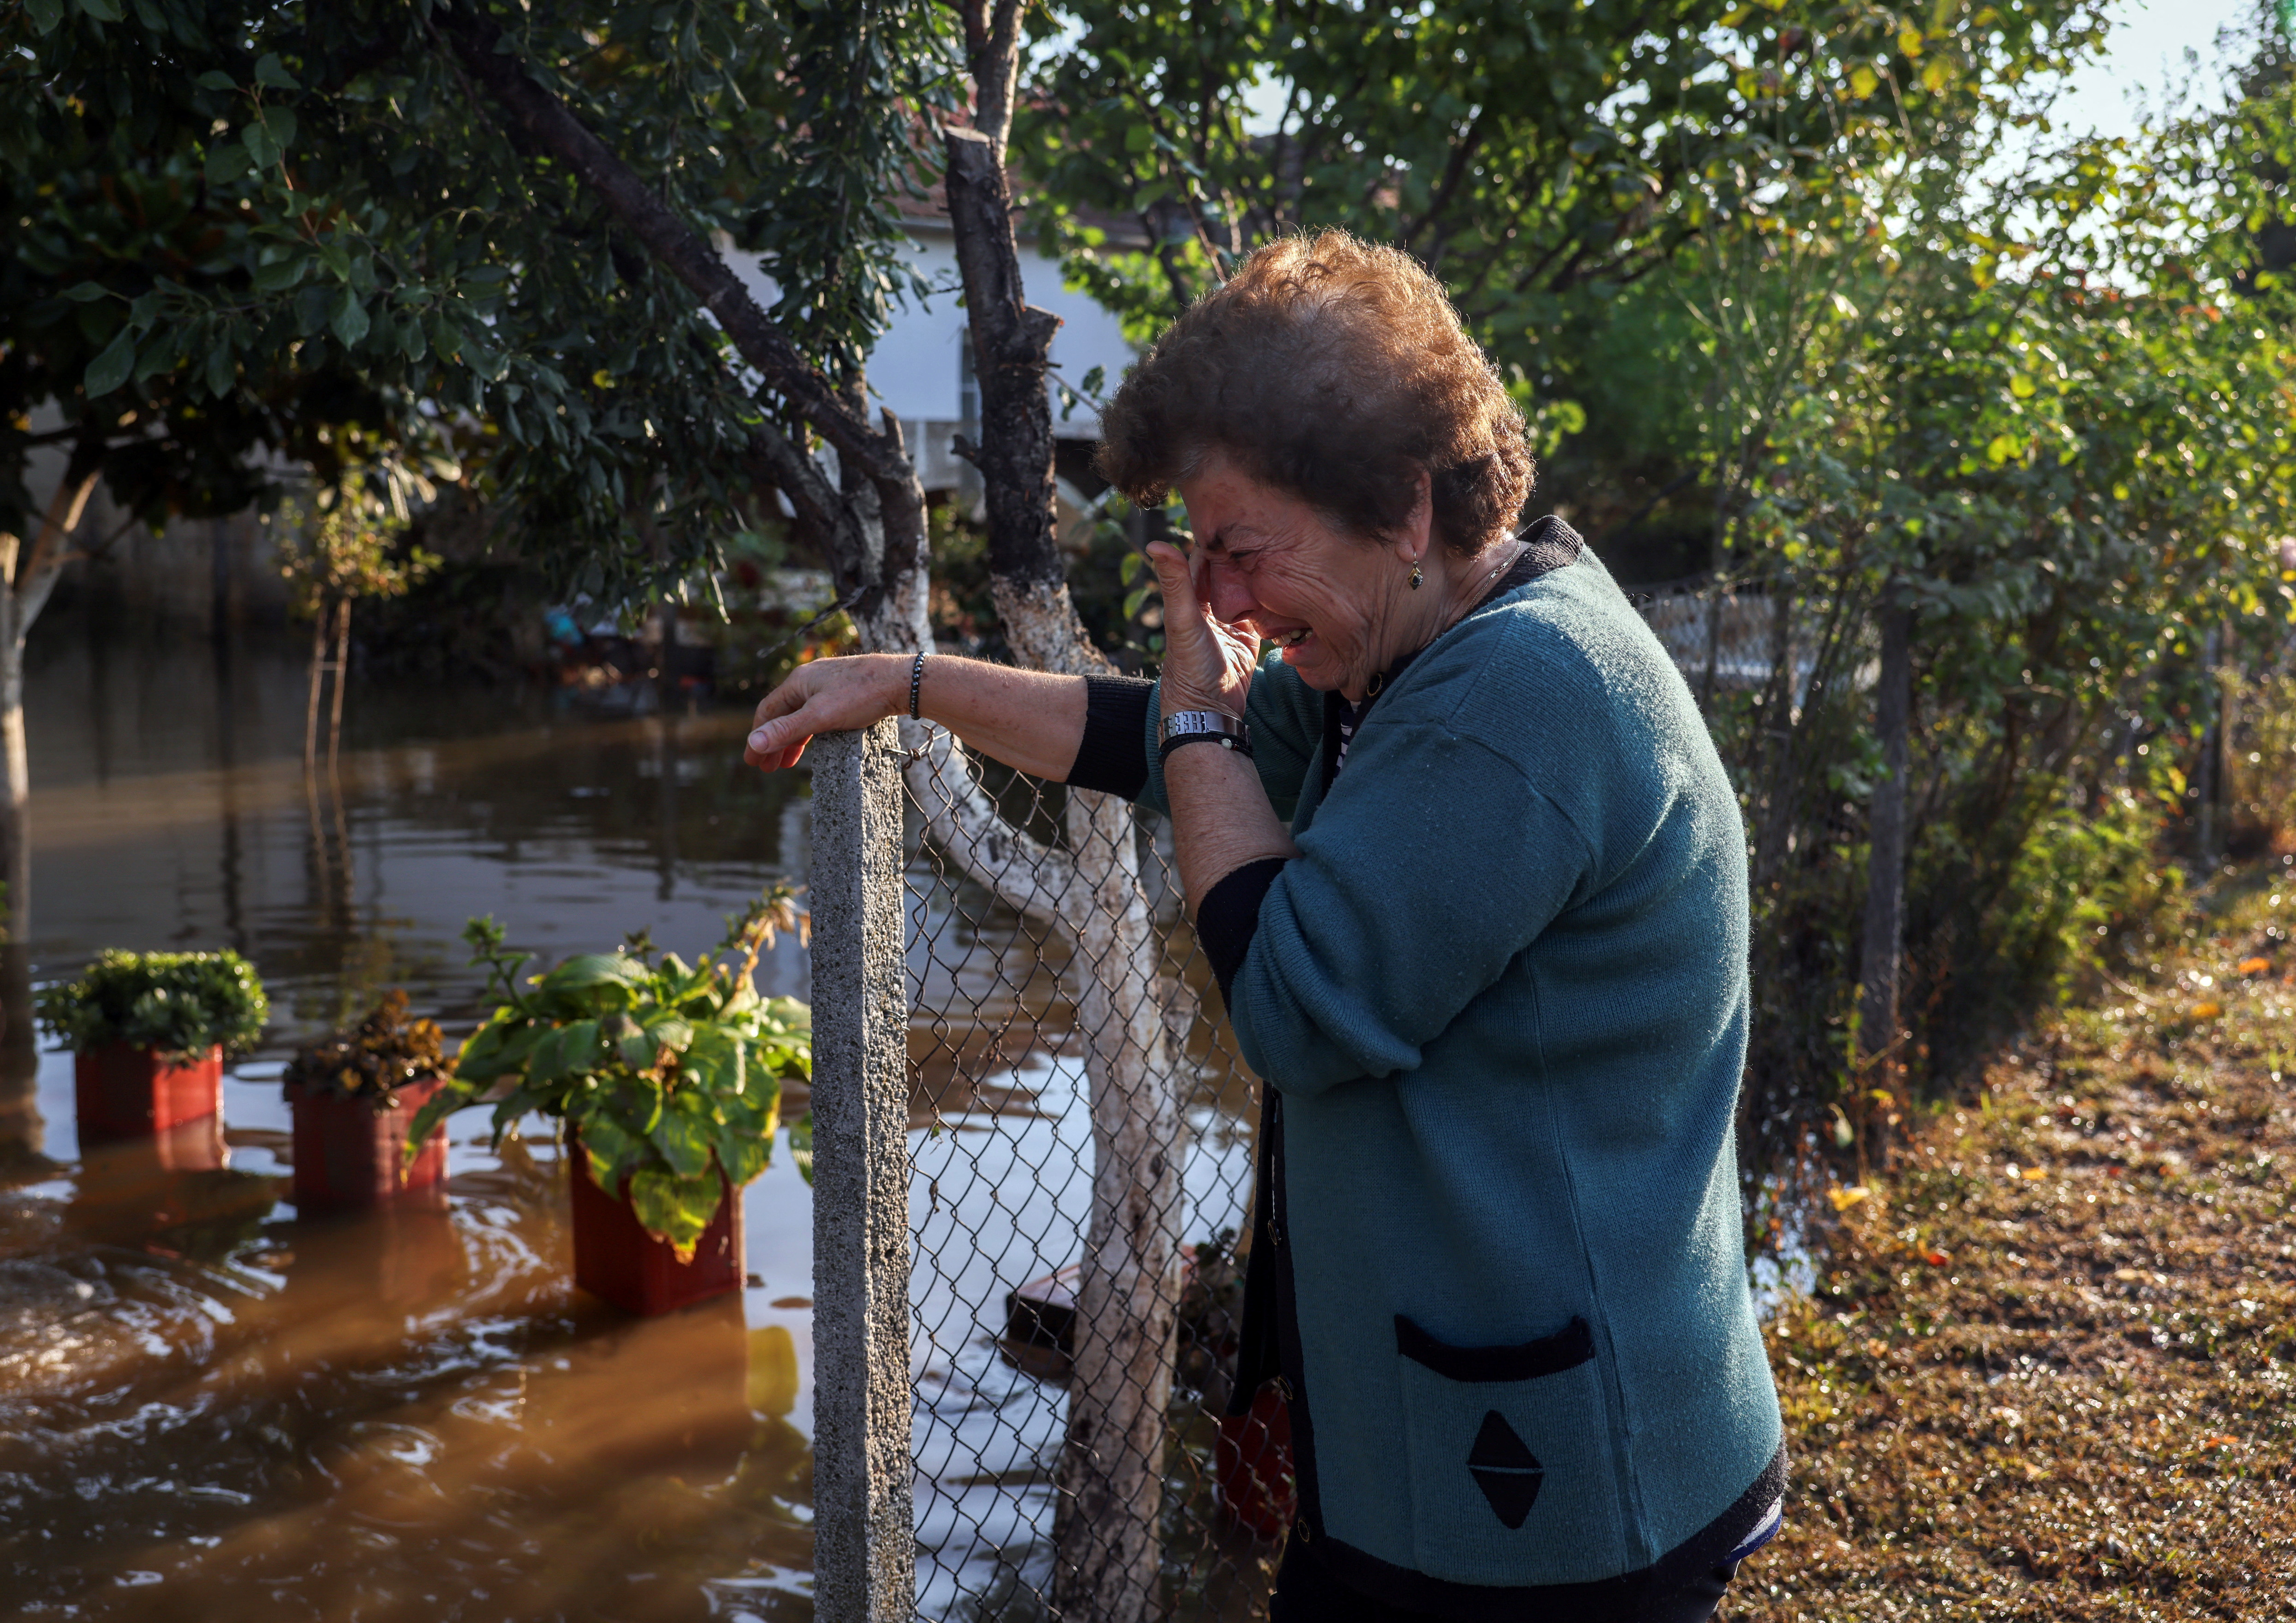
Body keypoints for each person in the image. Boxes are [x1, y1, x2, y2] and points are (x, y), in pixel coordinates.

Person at [744, 232, 1782, 1620]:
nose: (1223, 602)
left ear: (1405, 508)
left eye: (1244, 550)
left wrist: (1192, 718)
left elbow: (1292, 999)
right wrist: (916, 682)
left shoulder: (1518, 699)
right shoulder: (1421, 649)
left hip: (1559, 1484)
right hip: (1461, 1441)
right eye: (1207, 557)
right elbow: (1165, 742)